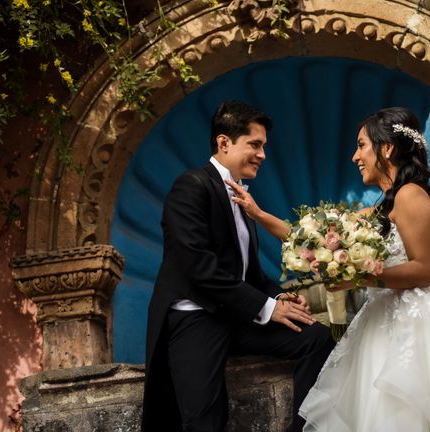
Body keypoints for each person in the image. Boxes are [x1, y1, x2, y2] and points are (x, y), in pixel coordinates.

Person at [229, 107, 430, 431]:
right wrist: (257, 213)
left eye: (362, 145)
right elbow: (311, 239)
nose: (355, 156)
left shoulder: (412, 196)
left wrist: (360, 276)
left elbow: (424, 272)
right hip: (378, 320)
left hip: (417, 326)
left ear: (388, 148)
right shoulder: (378, 209)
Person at [142, 101, 335, 432]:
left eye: (264, 146)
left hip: (237, 315)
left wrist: (281, 298)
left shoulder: (242, 198)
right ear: (224, 143)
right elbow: (198, 267)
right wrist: (268, 307)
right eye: (255, 145)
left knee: (317, 339)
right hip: (196, 317)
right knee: (205, 420)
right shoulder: (191, 185)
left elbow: (251, 275)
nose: (262, 154)